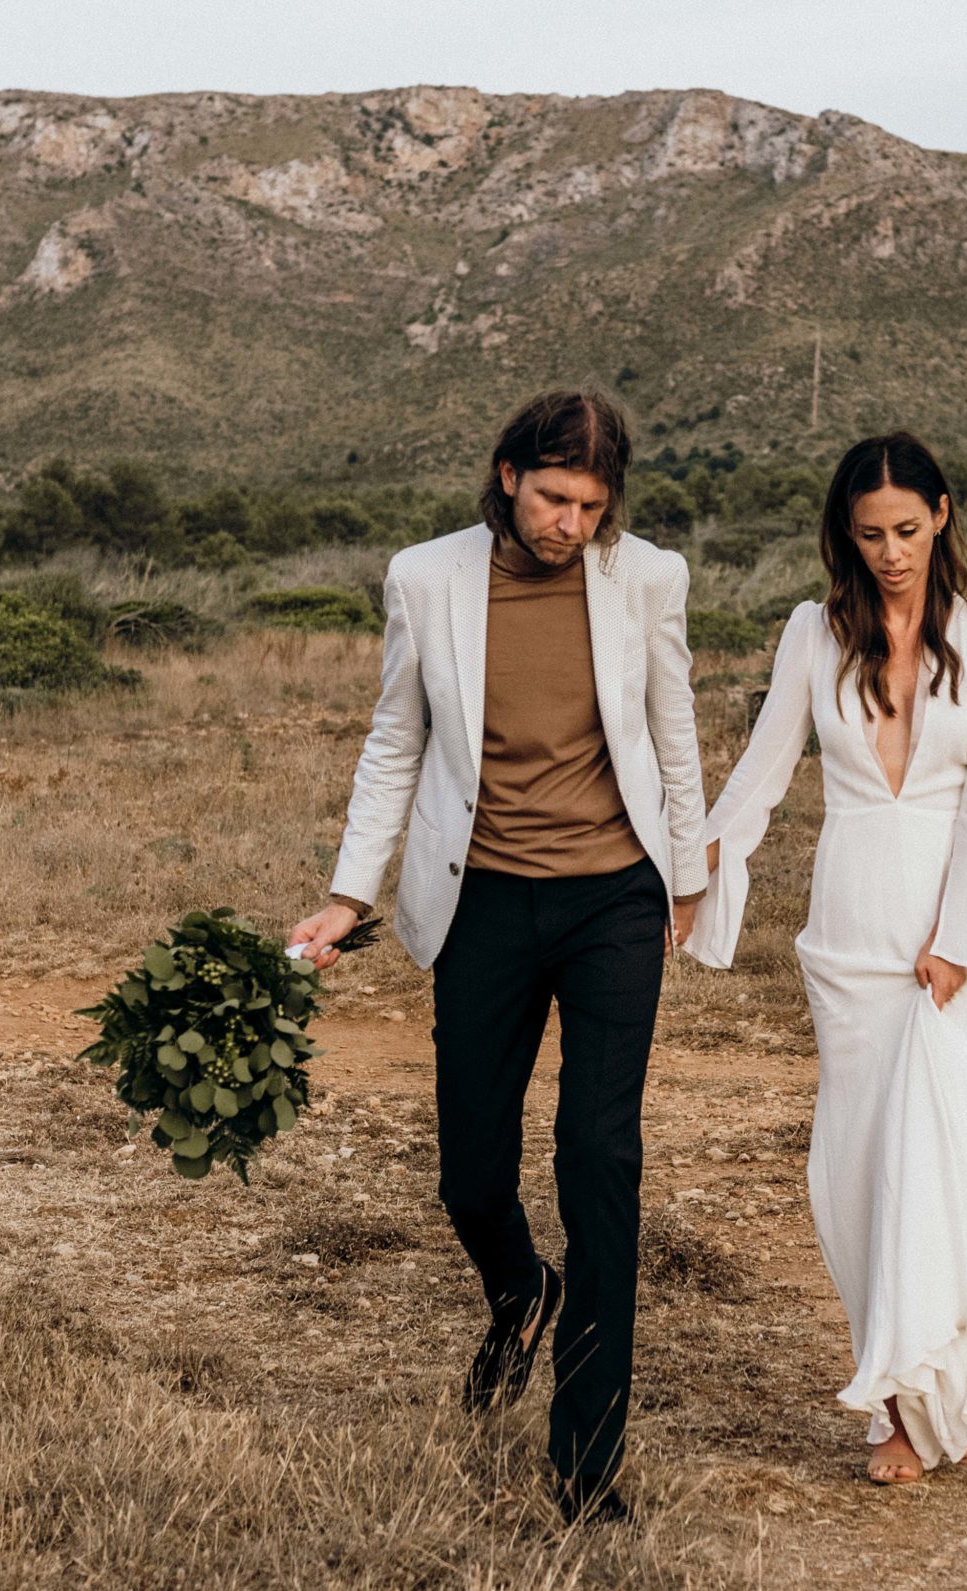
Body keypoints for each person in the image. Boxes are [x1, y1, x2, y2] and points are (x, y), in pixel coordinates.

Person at [288, 390, 708, 1522]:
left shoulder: (647, 578)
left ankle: (585, 1464)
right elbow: (396, 738)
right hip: (480, 901)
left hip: (615, 898)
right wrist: (347, 893)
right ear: (508, 473)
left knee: (598, 1159)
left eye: (591, 504)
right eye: (554, 496)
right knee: (471, 1170)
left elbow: (671, 725)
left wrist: (693, 871)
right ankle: (520, 1288)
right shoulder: (426, 577)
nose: (570, 523)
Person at [686, 432, 967, 1485]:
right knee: (853, 1172)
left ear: (942, 514)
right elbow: (762, 771)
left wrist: (961, 937)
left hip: (952, 937)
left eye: (906, 529)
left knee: (937, 1157)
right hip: (849, 932)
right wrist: (692, 871)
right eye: (869, 534)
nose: (890, 551)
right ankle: (919, 1386)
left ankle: (921, 1409)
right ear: (843, 537)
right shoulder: (814, 633)